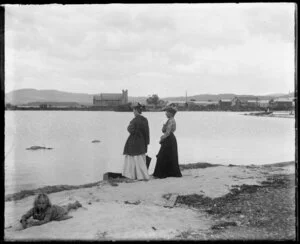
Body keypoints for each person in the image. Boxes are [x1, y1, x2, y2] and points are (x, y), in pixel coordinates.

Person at [153, 105, 182, 178]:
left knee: (162, 156)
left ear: (171, 113)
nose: (165, 113)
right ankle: (169, 173)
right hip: (171, 139)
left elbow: (167, 132)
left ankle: (161, 174)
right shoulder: (171, 120)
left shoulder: (171, 120)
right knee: (169, 156)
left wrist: (161, 139)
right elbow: (167, 131)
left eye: (167, 112)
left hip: (169, 139)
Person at [122, 103, 150, 180]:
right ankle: (143, 175)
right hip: (142, 141)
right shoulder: (145, 119)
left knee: (132, 158)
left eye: (134, 111)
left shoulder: (134, 120)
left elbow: (129, 129)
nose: (133, 112)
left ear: (136, 111)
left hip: (133, 141)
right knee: (140, 158)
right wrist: (147, 142)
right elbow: (147, 132)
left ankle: (132, 175)